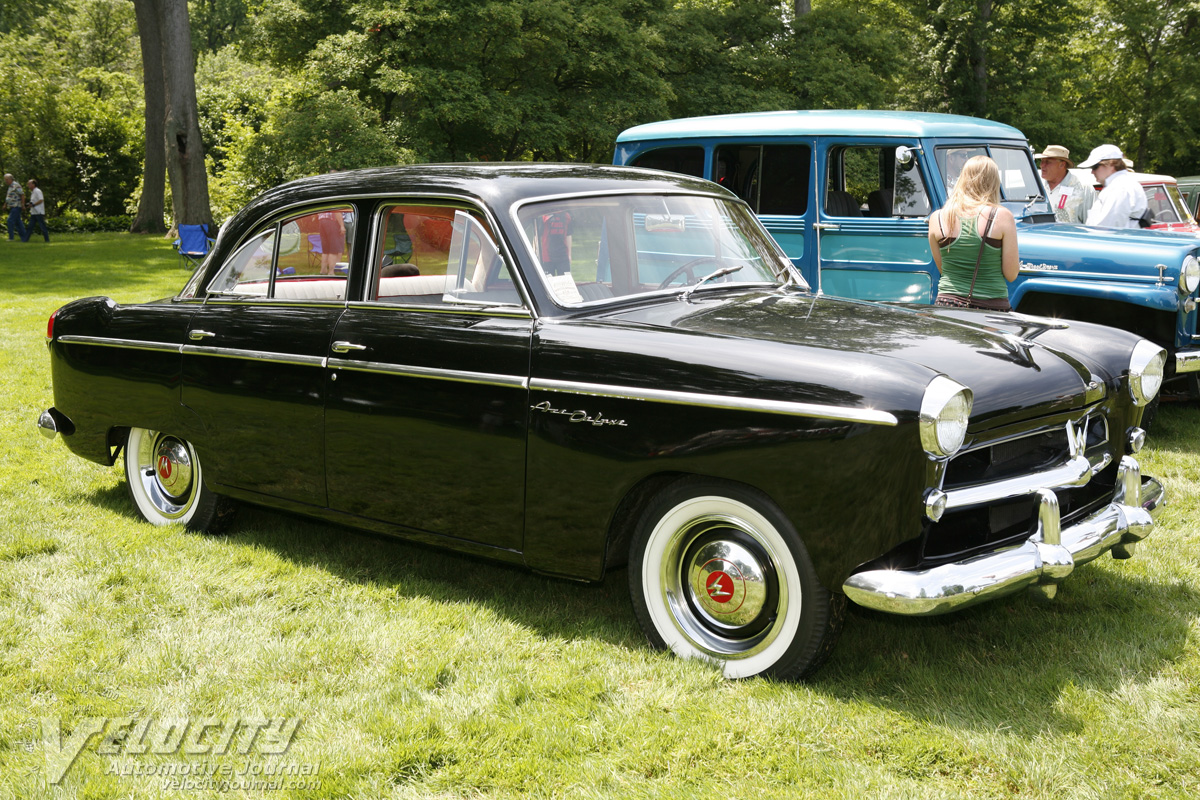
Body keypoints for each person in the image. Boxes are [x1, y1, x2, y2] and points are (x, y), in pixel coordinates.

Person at [927, 155, 1019, 311]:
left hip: (947, 306)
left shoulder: (937, 218)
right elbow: (1011, 274)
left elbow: (944, 269)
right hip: (990, 308)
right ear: (994, 182)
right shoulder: (1002, 216)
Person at [1078, 144, 1148, 229]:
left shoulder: (1120, 188)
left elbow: (1106, 228)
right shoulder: (1119, 184)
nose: (1092, 172)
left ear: (1111, 164)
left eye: (1095, 167)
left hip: (1116, 240)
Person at [1034, 145, 1095, 224]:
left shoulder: (1083, 188)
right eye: (1042, 161)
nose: (1042, 165)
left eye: (1048, 162)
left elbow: (1092, 224)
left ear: (1062, 165)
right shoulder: (1036, 185)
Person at [4, 174, 27, 242]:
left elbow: (22, 195)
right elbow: (9, 197)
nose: (6, 181)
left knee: (10, 220)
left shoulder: (16, 185)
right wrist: (5, 204)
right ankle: (25, 237)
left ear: (11, 179)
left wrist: (23, 205)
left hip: (16, 206)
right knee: (18, 222)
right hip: (12, 206)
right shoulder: (10, 186)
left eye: (6, 179)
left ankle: (11, 238)